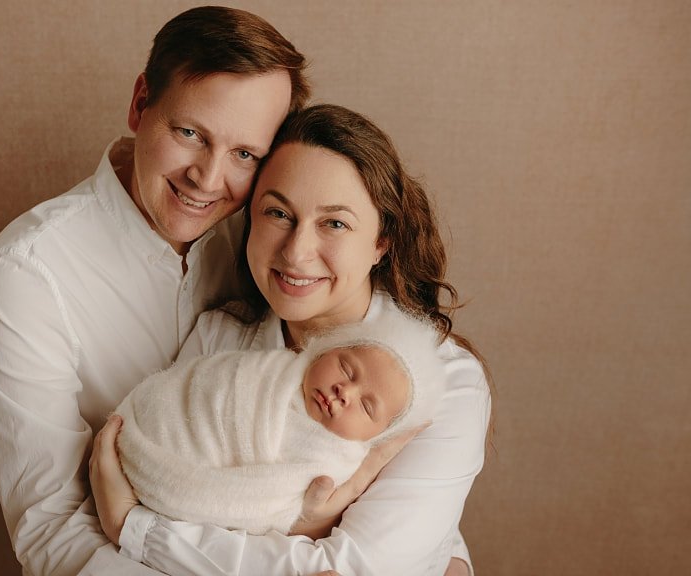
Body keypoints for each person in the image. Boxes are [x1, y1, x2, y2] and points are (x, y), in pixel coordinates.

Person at [0, 7, 307, 573]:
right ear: (140, 103)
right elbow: (51, 529)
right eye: (190, 134)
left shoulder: (278, 242)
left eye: (245, 154)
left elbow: (372, 372)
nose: (208, 179)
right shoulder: (25, 273)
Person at [91, 104, 491, 576]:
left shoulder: (446, 385)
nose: (297, 252)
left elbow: (354, 570)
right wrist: (307, 530)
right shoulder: (218, 337)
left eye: (334, 223)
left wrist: (135, 528)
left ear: (382, 242)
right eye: (278, 213)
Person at [111, 317, 444, 535]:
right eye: (346, 368)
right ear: (325, 350)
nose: (345, 392)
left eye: (367, 406)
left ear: (375, 436)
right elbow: (201, 385)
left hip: (175, 488)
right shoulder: (273, 369)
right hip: (151, 427)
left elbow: (268, 501)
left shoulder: (334, 460)